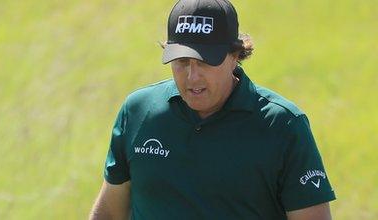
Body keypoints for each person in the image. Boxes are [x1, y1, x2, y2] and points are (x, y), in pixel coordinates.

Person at [89, 0, 336, 219]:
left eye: (206, 62)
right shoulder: (138, 111)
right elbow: (110, 213)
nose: (192, 77)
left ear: (235, 55)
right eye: (182, 62)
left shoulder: (283, 125)